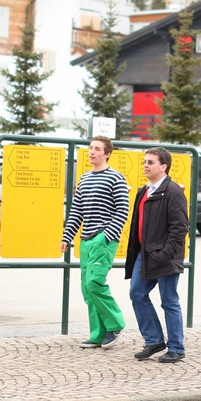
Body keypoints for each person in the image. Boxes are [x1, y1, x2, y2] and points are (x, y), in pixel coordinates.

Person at [60, 137, 130, 349]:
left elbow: (123, 210)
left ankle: (115, 324)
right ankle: (98, 334)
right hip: (86, 240)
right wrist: (67, 236)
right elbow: (77, 211)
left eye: (97, 149)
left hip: (103, 239)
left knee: (94, 283)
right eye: (90, 148)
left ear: (107, 154)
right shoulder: (84, 179)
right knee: (86, 289)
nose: (92, 152)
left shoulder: (116, 178)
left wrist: (106, 235)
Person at [125, 146, 189, 363]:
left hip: (165, 256)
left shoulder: (173, 191)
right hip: (145, 254)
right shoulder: (143, 191)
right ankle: (154, 340)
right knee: (137, 293)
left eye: (150, 162)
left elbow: (180, 228)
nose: (145, 165)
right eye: (144, 162)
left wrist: (165, 253)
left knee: (169, 300)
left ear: (164, 166)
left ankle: (176, 348)